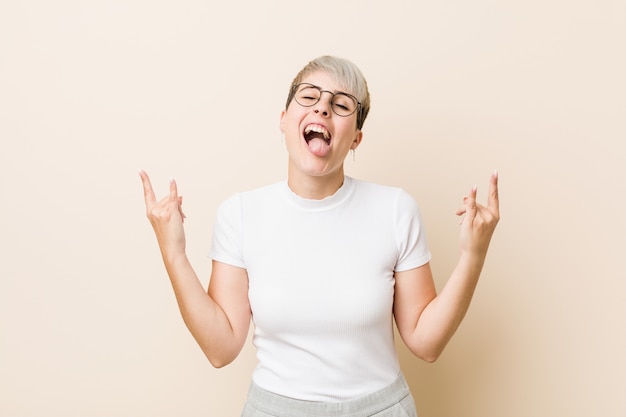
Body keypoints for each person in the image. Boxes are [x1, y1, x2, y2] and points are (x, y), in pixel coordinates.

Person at [139, 55, 500, 417]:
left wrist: (473, 256)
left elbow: (427, 343)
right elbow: (221, 348)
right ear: (284, 120)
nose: (323, 108)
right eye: (309, 96)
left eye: (341, 104)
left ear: (356, 138)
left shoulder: (395, 209)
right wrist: (174, 254)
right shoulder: (240, 214)